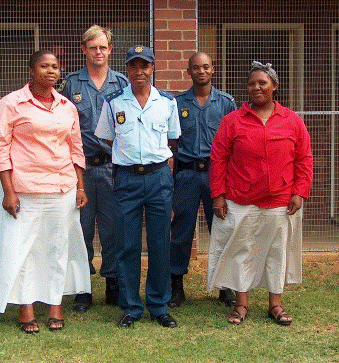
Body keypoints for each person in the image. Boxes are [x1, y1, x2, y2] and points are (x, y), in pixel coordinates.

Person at [0, 50, 91, 333]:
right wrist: (8, 191)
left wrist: (80, 186)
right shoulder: (11, 103)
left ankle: (55, 305)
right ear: (32, 70)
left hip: (62, 189)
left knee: (57, 248)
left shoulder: (67, 106)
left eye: (55, 66)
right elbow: (0, 148)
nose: (50, 71)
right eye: (44, 66)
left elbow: (75, 149)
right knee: (24, 251)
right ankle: (26, 308)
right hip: (24, 191)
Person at [207, 61, 313, 325]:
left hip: (279, 200)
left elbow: (304, 158)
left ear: (274, 86)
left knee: (276, 251)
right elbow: (218, 158)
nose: (256, 88)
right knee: (242, 250)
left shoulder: (292, 121)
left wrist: (299, 191)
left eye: (262, 83)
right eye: (252, 83)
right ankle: (241, 304)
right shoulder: (233, 121)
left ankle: (275, 304)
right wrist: (218, 194)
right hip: (240, 199)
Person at [95, 45, 181, 328]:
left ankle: (158, 305)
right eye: (133, 66)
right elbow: (109, 139)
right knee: (127, 244)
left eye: (144, 66)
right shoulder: (114, 102)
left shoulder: (167, 102)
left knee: (159, 243)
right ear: (127, 69)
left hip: (158, 179)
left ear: (152, 69)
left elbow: (172, 141)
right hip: (127, 179)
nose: (139, 72)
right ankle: (131, 306)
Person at [59, 25, 128, 312]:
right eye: (92, 47)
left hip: (114, 168)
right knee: (81, 229)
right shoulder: (71, 84)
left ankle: (112, 282)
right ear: (83, 49)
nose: (98, 52)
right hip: (82, 170)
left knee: (114, 230)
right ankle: (82, 288)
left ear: (110, 49)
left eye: (103, 47)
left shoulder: (122, 83)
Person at [169, 52, 237, 308]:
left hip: (216, 174)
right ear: (188, 72)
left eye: (205, 67)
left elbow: (234, 143)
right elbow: (171, 142)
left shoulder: (225, 103)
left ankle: (226, 286)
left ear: (213, 70)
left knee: (221, 229)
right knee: (181, 232)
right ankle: (176, 284)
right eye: (196, 68)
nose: (201, 71)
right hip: (186, 174)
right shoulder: (177, 103)